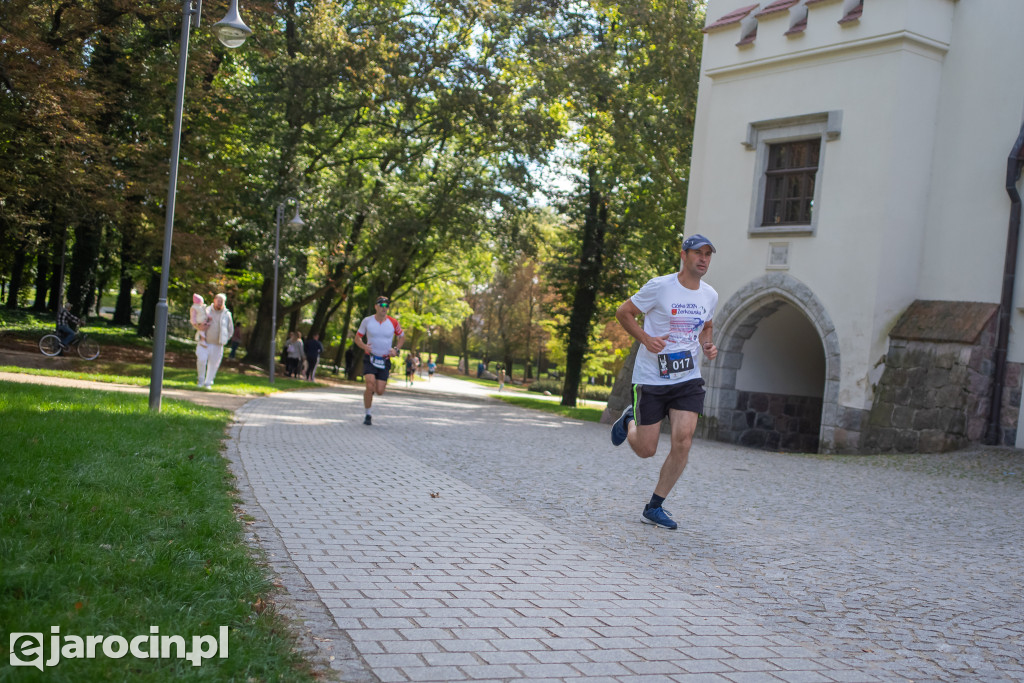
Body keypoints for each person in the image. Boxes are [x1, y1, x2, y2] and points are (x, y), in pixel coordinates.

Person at [610, 234, 719, 530]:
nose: (704, 259)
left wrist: (707, 344)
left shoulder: (709, 294)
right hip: (651, 379)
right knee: (646, 450)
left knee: (683, 440)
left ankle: (654, 506)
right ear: (683, 255)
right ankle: (629, 421)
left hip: (687, 378)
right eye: (698, 253)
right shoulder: (659, 287)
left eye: (708, 254)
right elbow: (624, 312)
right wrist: (646, 339)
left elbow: (706, 325)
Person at [354, 296, 405, 425]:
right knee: (369, 384)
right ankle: (368, 414)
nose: (384, 308)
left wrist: (396, 350)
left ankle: (371, 394)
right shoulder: (367, 321)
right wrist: (364, 346)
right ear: (376, 307)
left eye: (387, 306)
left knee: (380, 391)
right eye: (382, 305)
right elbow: (357, 338)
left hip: (385, 359)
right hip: (370, 357)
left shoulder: (393, 322)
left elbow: (402, 337)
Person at [196, 293, 234, 389]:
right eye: (218, 300)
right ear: (214, 300)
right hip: (204, 342)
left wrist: (225, 338)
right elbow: (198, 322)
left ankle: (208, 382)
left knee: (213, 364)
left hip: (218, 344)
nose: (219, 303)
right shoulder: (206, 310)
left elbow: (230, 330)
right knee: (201, 360)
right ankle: (200, 380)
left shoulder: (227, 314)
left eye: (221, 301)